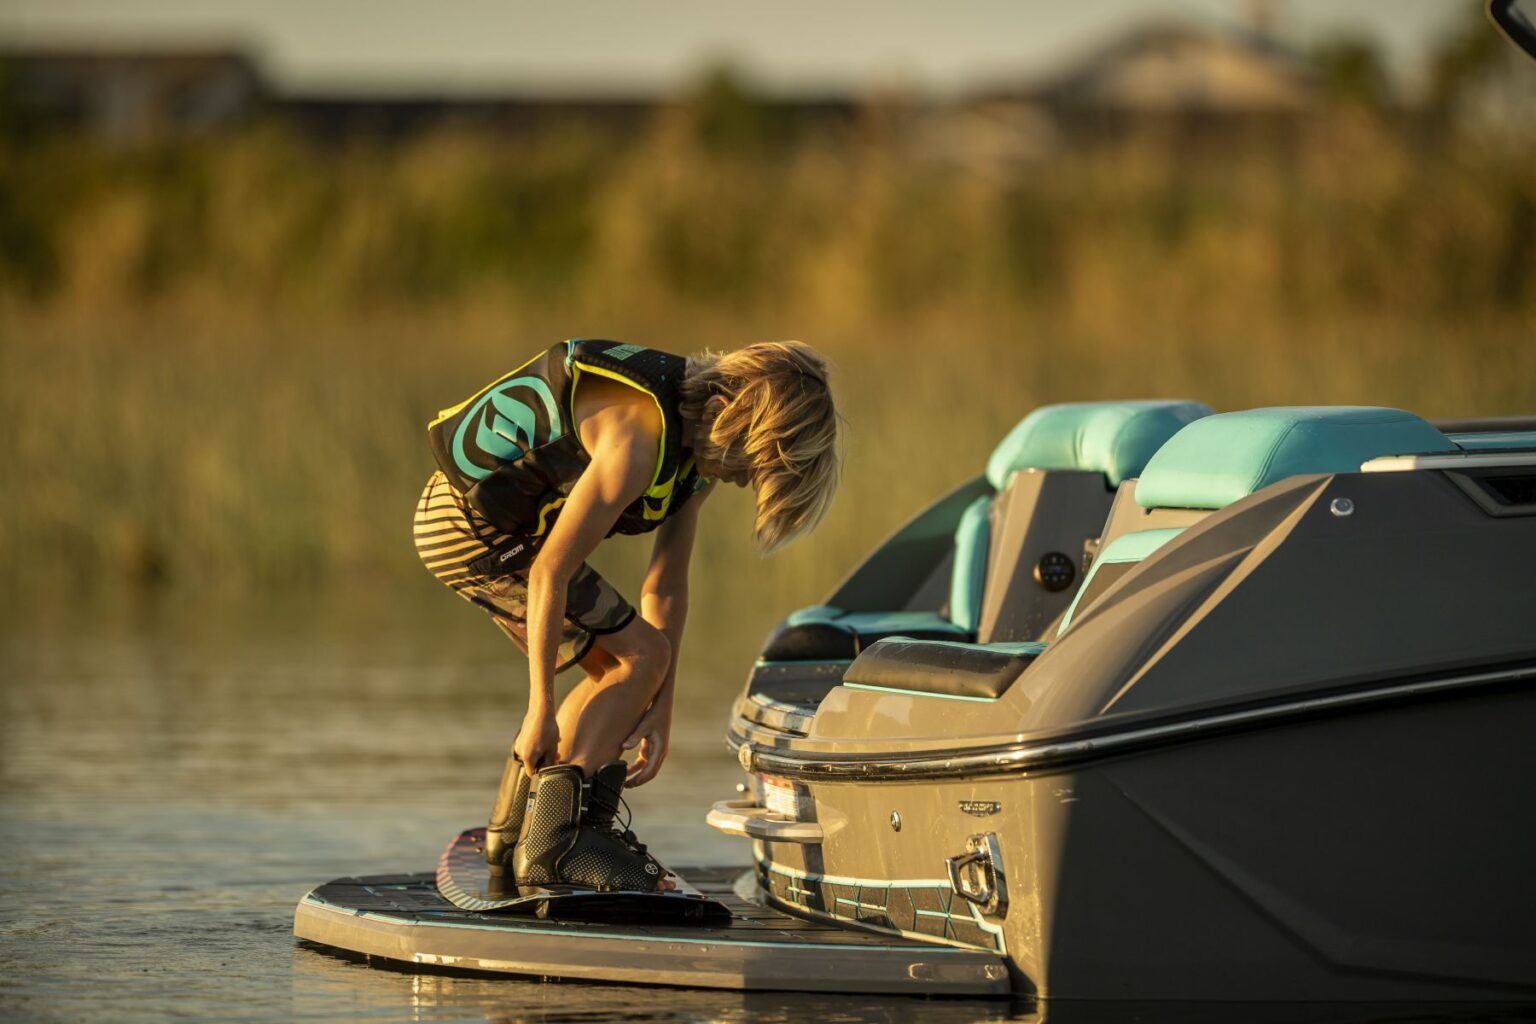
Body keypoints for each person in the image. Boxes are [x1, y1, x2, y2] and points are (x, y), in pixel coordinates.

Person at [413, 338, 839, 893]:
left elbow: (665, 587)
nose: (741, 481)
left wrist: (660, 706)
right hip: (465, 528)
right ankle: (561, 844)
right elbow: (549, 575)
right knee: (640, 655)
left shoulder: (696, 450)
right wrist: (539, 704)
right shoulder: (636, 441)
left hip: (504, 534)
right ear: (722, 415)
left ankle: (515, 833)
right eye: (748, 465)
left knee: (629, 664)